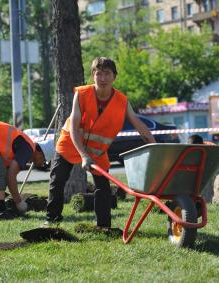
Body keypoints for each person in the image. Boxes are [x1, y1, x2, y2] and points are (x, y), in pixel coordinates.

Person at [45, 56, 156, 228]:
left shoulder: (122, 101)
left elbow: (139, 125)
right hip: (70, 143)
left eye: (107, 74)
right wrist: (83, 155)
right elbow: (74, 127)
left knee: (103, 188)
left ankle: (104, 227)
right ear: (93, 75)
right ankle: (52, 221)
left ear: (114, 76)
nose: (103, 78)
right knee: (57, 180)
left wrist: (155, 148)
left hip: (97, 151)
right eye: (98, 74)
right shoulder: (81, 94)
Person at [0, 120, 55, 221]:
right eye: (43, 160)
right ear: (41, 154)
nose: (42, 164)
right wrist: (19, 202)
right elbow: (11, 176)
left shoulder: (25, 147)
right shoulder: (28, 149)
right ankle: (1, 212)